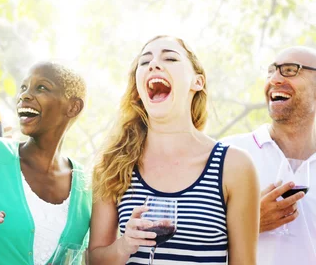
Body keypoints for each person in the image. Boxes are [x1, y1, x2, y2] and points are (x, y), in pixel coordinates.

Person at [88, 35, 260, 265]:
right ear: (138, 89)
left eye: (170, 58)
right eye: (144, 61)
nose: (154, 64)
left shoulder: (234, 165)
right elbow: (93, 260)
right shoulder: (112, 165)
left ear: (197, 82)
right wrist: (124, 245)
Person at [0, 62, 92, 265]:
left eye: (42, 88)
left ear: (73, 107)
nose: (25, 96)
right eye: (23, 88)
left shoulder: (87, 185)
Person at [222, 46, 316, 265]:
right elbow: (187, 242)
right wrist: (249, 223)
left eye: (290, 70)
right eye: (271, 71)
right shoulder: (227, 153)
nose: (274, 79)